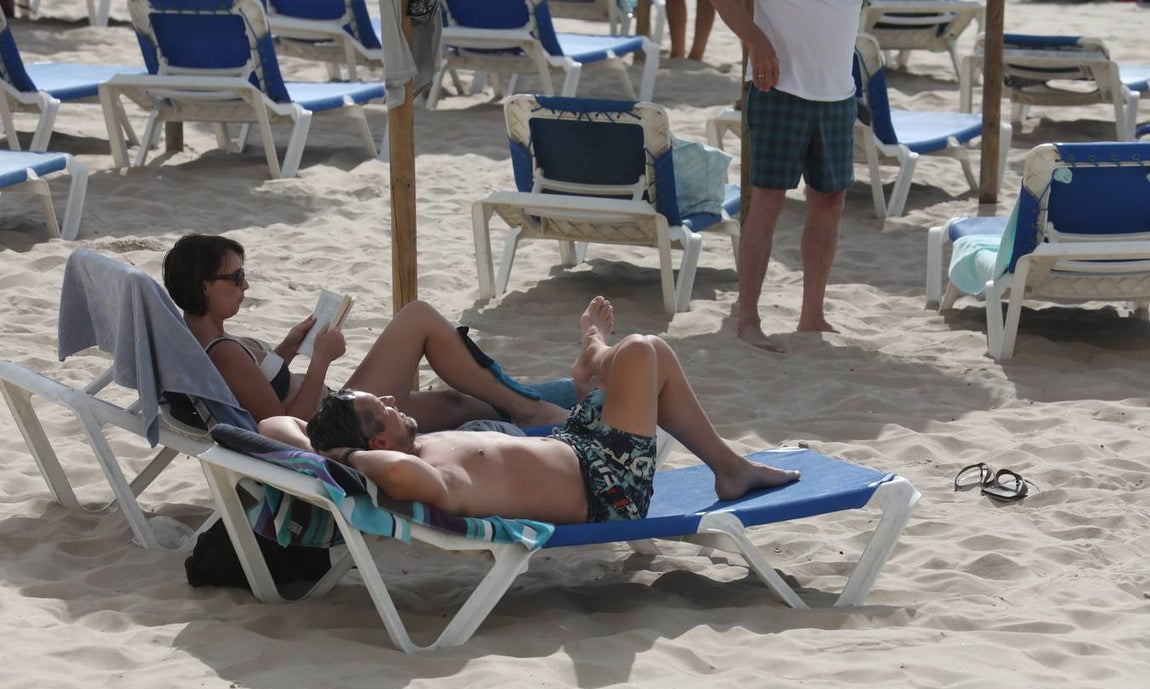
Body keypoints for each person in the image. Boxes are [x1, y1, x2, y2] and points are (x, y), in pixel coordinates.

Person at [262, 297, 800, 524]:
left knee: (652, 353)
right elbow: (396, 470)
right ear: (377, 443)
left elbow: (273, 425)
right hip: (606, 487)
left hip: (577, 447)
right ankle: (593, 352)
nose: (389, 397)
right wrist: (344, 455)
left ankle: (728, 469)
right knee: (638, 350)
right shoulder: (422, 473)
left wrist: (320, 445)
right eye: (378, 407)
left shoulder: (413, 449)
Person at [163, 233, 570, 432]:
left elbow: (257, 388)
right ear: (205, 286)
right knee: (418, 318)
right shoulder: (222, 352)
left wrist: (287, 349)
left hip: (336, 410)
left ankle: (552, 401)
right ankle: (536, 408)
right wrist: (320, 360)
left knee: (454, 404)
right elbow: (286, 428)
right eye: (236, 278)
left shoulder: (203, 341)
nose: (245, 285)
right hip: (335, 426)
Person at [710, 0, 861, 351]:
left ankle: (812, 315)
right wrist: (756, 41)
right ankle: (748, 318)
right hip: (778, 88)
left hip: (839, 92)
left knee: (830, 200)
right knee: (767, 199)